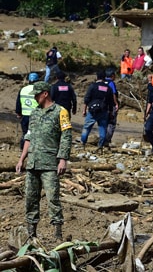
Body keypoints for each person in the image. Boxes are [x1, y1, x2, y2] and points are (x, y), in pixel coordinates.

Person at [16, 81, 72, 240]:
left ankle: (57, 233)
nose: (34, 98)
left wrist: (63, 159)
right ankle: (31, 233)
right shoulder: (34, 113)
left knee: (53, 198)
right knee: (30, 198)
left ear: (45, 93)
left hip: (49, 163)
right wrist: (22, 159)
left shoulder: (60, 112)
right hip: (33, 163)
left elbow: (66, 137)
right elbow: (29, 137)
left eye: (36, 95)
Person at [80, 70, 116, 151]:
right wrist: (110, 112)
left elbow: (87, 99)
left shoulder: (92, 86)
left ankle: (83, 143)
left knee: (87, 127)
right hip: (103, 111)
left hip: (92, 111)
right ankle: (100, 146)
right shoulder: (108, 88)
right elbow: (111, 102)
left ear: (97, 77)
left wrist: (84, 110)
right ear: (104, 78)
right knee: (102, 128)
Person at [15, 73, 40, 150]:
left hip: (25, 116)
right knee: (36, 134)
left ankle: (23, 149)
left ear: (29, 80)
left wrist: (18, 113)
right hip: (36, 116)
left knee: (25, 134)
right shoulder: (38, 90)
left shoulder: (23, 89)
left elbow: (18, 103)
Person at [104, 68, 120, 146]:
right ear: (112, 76)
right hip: (111, 105)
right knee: (111, 123)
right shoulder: (111, 83)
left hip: (103, 105)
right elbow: (113, 94)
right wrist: (116, 103)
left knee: (104, 123)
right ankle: (107, 140)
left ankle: (102, 138)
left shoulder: (103, 82)